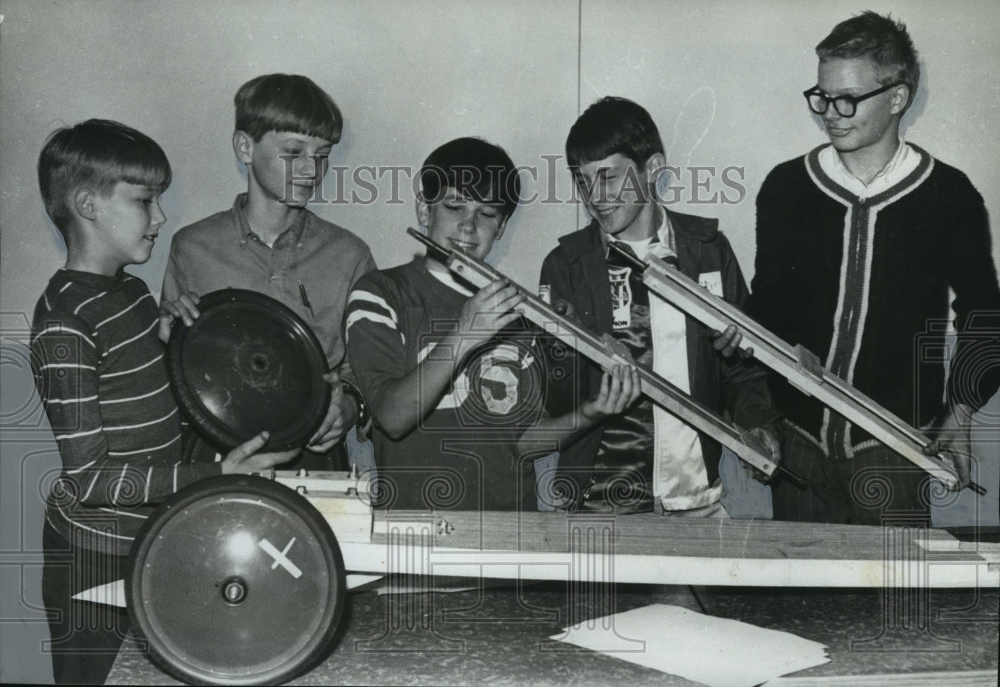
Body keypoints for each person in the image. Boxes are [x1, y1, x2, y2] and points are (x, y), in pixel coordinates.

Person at [31, 119, 297, 684]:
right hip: (92, 556)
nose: (161, 217)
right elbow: (89, 479)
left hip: (152, 538)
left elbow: (144, 394)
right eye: (145, 200)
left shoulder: (128, 290)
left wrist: (175, 338)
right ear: (87, 204)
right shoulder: (64, 323)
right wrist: (210, 475)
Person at [741, 12, 1000, 524]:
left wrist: (962, 409)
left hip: (895, 451)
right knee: (803, 602)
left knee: (891, 602)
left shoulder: (950, 197)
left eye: (847, 99)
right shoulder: (786, 187)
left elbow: (984, 313)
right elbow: (767, 306)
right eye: (821, 96)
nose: (830, 114)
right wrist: (756, 402)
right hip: (798, 445)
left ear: (897, 98)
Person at [344, 137, 639, 511]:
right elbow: (391, 416)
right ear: (424, 210)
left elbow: (522, 441)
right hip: (415, 529)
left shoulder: (517, 308)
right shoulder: (381, 292)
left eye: (487, 214)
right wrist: (466, 333)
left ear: (501, 229)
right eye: (454, 206)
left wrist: (594, 412)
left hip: (511, 532)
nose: (468, 227)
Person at [539, 97, 781, 517]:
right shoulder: (566, 266)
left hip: (698, 500)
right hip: (598, 506)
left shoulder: (707, 251)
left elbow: (744, 369)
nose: (595, 197)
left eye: (609, 178)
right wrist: (572, 354)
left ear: (652, 170)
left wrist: (759, 426)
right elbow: (553, 397)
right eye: (583, 181)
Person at [161, 73, 375, 470]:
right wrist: (168, 332)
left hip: (314, 458)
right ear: (245, 147)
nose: (312, 169)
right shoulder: (193, 247)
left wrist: (348, 406)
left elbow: (366, 371)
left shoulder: (349, 254)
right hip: (216, 454)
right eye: (294, 152)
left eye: (323, 154)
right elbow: (173, 368)